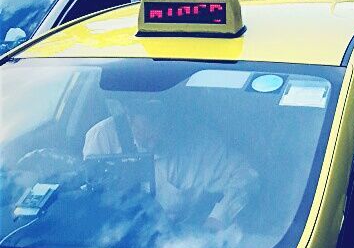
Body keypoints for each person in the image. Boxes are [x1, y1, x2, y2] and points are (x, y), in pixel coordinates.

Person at [83, 97, 257, 231]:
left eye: (159, 134)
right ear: (129, 117)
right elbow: (92, 201)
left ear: (173, 119)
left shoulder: (201, 144)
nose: (152, 144)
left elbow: (246, 176)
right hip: (115, 242)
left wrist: (219, 217)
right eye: (145, 136)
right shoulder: (103, 137)